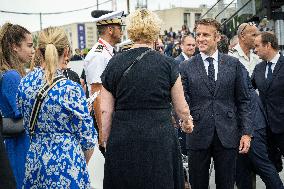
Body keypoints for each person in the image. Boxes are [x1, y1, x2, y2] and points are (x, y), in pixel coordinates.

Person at [101, 9, 194, 189]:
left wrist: (106, 140)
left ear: (131, 30)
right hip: (160, 138)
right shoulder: (167, 63)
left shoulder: (114, 63)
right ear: (155, 30)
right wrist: (187, 121)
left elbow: (105, 110)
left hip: (124, 138)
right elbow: (181, 108)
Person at [17, 26, 96, 188]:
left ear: (39, 51)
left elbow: (26, 126)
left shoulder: (25, 84)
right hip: (67, 164)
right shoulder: (71, 89)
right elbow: (88, 141)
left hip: (35, 163)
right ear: (66, 52)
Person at [179, 18, 252, 189]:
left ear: (218, 38)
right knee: (197, 184)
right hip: (197, 134)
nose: (200, 39)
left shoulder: (233, 64)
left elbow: (244, 100)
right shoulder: (186, 66)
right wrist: (183, 119)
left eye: (206, 35)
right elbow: (181, 100)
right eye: (198, 35)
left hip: (227, 134)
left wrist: (246, 133)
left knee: (226, 184)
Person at [0, 23, 33, 188]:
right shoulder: (12, 76)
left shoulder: (7, 73)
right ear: (14, 47)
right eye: (29, 46)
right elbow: (23, 112)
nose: (32, 50)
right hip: (18, 146)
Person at [84, 11, 123, 148]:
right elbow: (97, 93)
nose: (122, 32)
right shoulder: (99, 55)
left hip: (110, 116)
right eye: (119, 27)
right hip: (104, 119)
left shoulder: (107, 52)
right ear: (110, 30)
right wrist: (102, 130)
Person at [252, 31, 284, 163]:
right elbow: (248, 89)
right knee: (272, 168)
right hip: (266, 129)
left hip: (283, 126)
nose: (255, 50)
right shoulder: (259, 68)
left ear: (268, 45)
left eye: (257, 46)